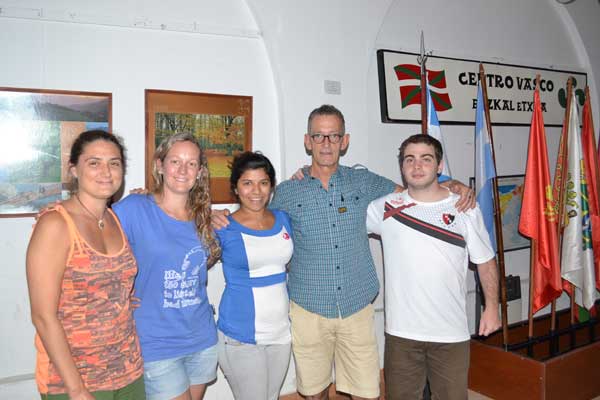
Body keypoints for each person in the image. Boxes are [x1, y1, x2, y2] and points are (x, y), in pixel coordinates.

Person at [212, 104, 472, 400]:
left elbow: (416, 194)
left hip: (356, 305)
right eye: (319, 136)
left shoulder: (365, 181)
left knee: (367, 392)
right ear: (307, 141)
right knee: (313, 392)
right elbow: (256, 217)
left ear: (344, 141)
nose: (326, 144)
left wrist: (450, 184)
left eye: (333, 136)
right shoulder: (286, 191)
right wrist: (215, 217)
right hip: (308, 307)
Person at [366, 134, 501, 400]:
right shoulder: (383, 208)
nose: (417, 166)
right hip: (401, 334)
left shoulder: (465, 207)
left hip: (450, 333)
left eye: (426, 159)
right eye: (409, 160)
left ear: (439, 166)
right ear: (402, 167)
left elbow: (485, 261)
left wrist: (492, 307)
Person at [26, 130, 145, 399]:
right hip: (75, 380)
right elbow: (43, 316)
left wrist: (119, 297)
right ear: (75, 170)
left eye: (114, 163)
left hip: (128, 369)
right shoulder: (55, 224)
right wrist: (76, 389)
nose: (106, 171)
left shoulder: (114, 219)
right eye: (94, 162)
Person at [112, 132, 221, 400]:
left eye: (192, 163)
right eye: (175, 161)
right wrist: (119, 295)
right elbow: (97, 250)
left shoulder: (204, 216)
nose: (183, 170)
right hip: (156, 342)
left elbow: (200, 263)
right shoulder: (134, 208)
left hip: (202, 338)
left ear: (200, 171)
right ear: (160, 165)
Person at [215, 151, 293, 400]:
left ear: (272, 186)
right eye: (247, 183)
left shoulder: (283, 219)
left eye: (263, 182)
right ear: (235, 188)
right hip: (241, 337)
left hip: (281, 333)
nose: (256, 191)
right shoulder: (223, 226)